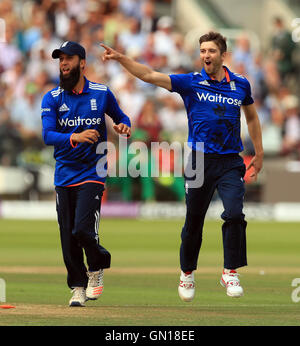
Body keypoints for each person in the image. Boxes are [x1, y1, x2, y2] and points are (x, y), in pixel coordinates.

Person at [100, 31, 264, 301]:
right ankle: (187, 273)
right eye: (202, 51)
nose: (206, 56)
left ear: (223, 55)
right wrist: (121, 59)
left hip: (231, 161)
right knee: (194, 222)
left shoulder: (241, 84)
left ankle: (230, 271)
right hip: (199, 161)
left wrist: (258, 153)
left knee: (235, 214)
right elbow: (150, 75)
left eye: (211, 51)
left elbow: (253, 118)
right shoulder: (191, 82)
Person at [41, 41, 131, 307]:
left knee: (82, 228)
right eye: (60, 60)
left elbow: (121, 116)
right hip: (64, 174)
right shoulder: (53, 98)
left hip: (92, 171)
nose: (63, 64)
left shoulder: (101, 93)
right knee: (67, 235)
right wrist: (76, 136)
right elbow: (48, 135)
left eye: (68, 59)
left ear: (82, 63)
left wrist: (123, 126)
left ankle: (96, 266)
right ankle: (78, 286)